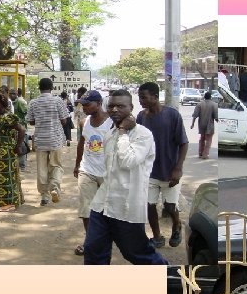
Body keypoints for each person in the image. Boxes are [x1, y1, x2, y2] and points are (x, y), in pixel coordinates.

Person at [83, 90, 168, 266]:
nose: (114, 109)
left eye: (120, 106)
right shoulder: (110, 134)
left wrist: (122, 132)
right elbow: (108, 169)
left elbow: (128, 161)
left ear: (131, 108)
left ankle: (174, 283)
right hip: (102, 204)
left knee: (137, 254)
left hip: (126, 208)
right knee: (93, 250)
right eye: (111, 106)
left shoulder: (142, 134)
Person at [136, 81, 188, 248]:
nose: (140, 101)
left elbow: (183, 143)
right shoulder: (141, 117)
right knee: (149, 206)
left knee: (170, 206)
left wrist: (178, 168)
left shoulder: (172, 115)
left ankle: (177, 225)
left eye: (143, 97)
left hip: (169, 171)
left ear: (155, 97)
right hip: (149, 172)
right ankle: (157, 236)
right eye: (139, 98)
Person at [72, 90, 111, 256]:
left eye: (88, 104)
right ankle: (90, 241)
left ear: (99, 103)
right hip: (86, 170)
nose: (84, 107)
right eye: (82, 104)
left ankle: (106, 240)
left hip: (107, 173)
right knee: (86, 209)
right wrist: (77, 164)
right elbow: (82, 143)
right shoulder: (84, 122)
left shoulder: (112, 122)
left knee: (107, 210)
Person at [26, 78, 68, 206]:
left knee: (42, 168)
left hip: (40, 140)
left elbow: (31, 121)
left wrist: (41, 120)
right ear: (52, 88)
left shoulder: (33, 102)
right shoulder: (58, 101)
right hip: (55, 139)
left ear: (39, 88)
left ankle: (44, 195)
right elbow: (64, 120)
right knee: (56, 165)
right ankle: (54, 188)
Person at [0, 92, 26, 212]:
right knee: (0, 177)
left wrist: (18, 146)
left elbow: (21, 130)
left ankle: (10, 202)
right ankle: (2, 201)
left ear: (2, 104)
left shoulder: (8, 117)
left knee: (7, 177)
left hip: (7, 152)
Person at [191, 91, 218, 159]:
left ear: (204, 97)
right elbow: (216, 117)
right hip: (210, 125)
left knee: (202, 139)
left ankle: (200, 153)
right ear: (210, 97)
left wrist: (192, 124)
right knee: (208, 140)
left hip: (201, 124)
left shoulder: (199, 104)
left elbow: (195, 115)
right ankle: (205, 154)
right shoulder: (214, 105)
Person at [10, 89, 29, 171]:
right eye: (10, 94)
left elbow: (26, 112)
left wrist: (21, 121)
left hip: (21, 127)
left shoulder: (20, 102)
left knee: (22, 145)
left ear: (17, 94)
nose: (11, 95)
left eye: (13, 94)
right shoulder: (11, 102)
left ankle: (22, 165)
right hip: (14, 128)